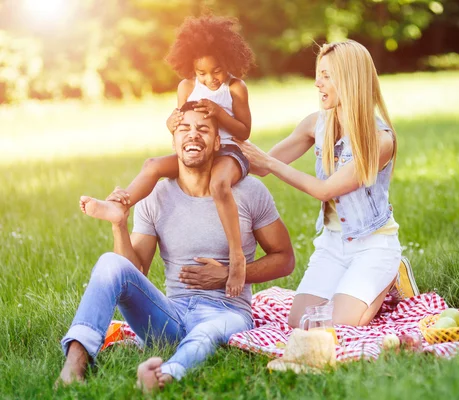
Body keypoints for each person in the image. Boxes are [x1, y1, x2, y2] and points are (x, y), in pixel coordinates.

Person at [59, 102, 295, 392]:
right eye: (185, 129)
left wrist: (229, 273)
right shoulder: (155, 195)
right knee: (110, 263)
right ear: (174, 140)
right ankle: (74, 367)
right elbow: (135, 272)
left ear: (218, 142)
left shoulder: (248, 192)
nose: (193, 135)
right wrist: (119, 225)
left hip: (226, 312)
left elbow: (285, 258)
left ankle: (166, 374)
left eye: (203, 129)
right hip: (170, 313)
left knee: (207, 331)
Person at [238, 40, 419, 328]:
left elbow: (325, 190)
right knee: (300, 324)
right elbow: (260, 166)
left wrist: (271, 164)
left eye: (326, 75)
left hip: (372, 245)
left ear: (350, 79)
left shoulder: (380, 140)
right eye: (317, 74)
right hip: (332, 245)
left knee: (337, 327)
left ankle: (390, 275)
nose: (316, 83)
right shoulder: (315, 124)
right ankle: (357, 287)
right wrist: (222, 135)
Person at [79, 15, 255, 298]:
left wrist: (221, 114)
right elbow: (182, 128)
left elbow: (244, 131)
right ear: (191, 68)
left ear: (229, 62)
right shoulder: (186, 87)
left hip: (229, 150)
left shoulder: (235, 88)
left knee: (218, 185)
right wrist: (171, 124)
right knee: (152, 165)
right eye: (202, 73)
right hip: (198, 149)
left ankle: (237, 257)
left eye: (217, 71)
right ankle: (120, 205)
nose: (209, 79)